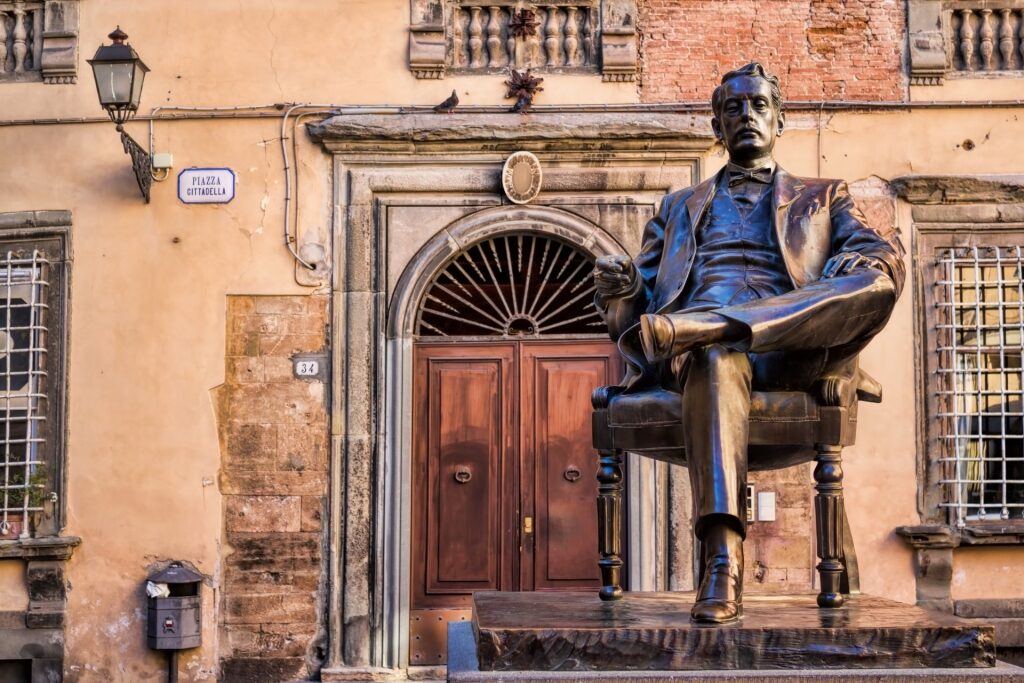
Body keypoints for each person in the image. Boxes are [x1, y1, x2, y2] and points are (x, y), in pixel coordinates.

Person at [592, 63, 905, 624]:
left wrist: (857, 268)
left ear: (780, 118)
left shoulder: (823, 197)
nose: (747, 116)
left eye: (759, 105)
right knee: (715, 356)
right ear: (717, 123)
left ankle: (710, 324)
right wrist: (620, 289)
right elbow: (632, 318)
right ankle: (722, 561)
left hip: (794, 355)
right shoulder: (675, 208)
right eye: (733, 108)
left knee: (878, 280)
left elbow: (876, 266)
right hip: (697, 359)